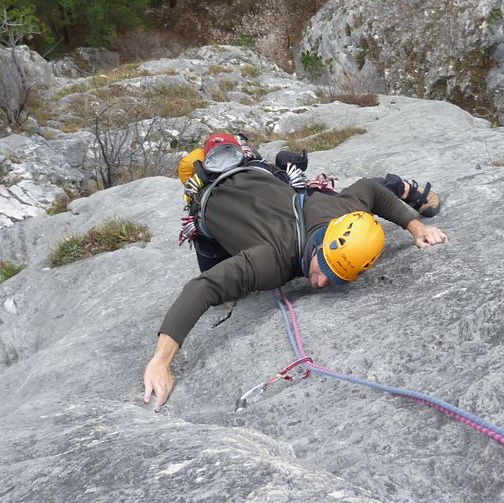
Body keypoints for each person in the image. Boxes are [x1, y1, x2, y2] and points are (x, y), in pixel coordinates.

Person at [142, 141, 448, 410]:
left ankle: (400, 187)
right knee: (224, 291)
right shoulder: (269, 261)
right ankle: (397, 187)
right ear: (320, 245)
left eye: (336, 278)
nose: (321, 283)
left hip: (266, 181)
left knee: (324, 193)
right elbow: (202, 287)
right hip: (215, 198)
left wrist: (416, 228)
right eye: (324, 268)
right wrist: (161, 361)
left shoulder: (340, 211)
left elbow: (369, 189)